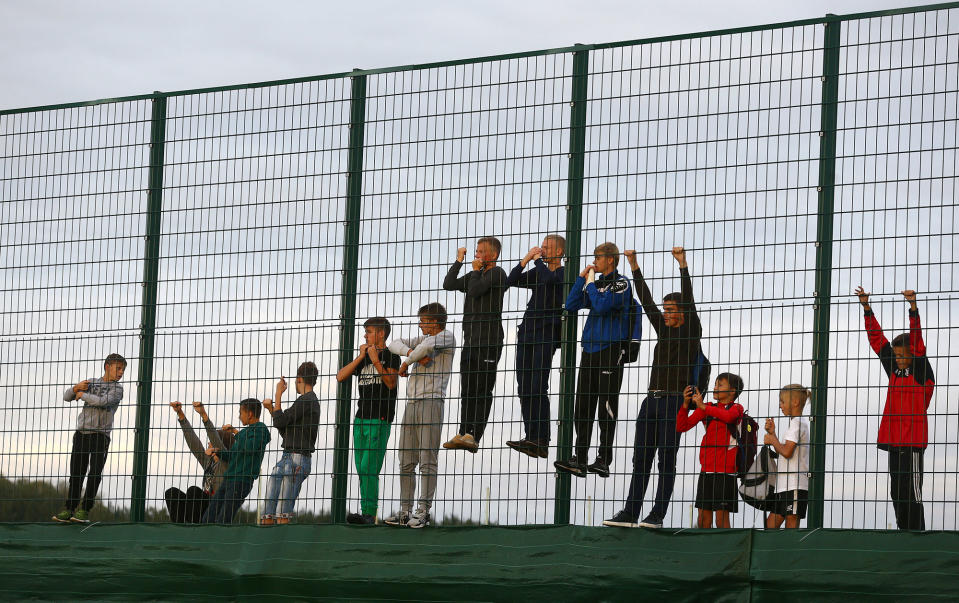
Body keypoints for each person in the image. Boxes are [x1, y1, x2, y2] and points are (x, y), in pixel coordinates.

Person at [605, 246, 702, 529]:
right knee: (641, 460)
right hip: (651, 402)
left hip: (675, 403)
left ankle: (656, 515)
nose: (666, 314)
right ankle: (630, 513)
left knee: (666, 462)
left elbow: (691, 301)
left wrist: (682, 265)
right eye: (665, 310)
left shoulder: (690, 332)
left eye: (671, 310)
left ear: (682, 312)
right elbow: (646, 301)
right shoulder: (663, 328)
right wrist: (634, 266)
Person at [856, 287, 934, 530]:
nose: (898, 359)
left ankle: (917, 535)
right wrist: (866, 308)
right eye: (896, 356)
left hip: (912, 443)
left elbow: (918, 343)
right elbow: (877, 340)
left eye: (903, 355)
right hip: (893, 442)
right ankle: (902, 532)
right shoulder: (894, 369)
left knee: (912, 493)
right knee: (897, 493)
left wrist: (913, 309)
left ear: (913, 355)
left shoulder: (921, 371)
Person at [554, 242, 634, 478]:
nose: (594, 261)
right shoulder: (594, 285)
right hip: (589, 350)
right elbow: (571, 305)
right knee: (583, 406)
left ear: (610, 259)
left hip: (611, 350)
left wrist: (590, 286)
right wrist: (581, 280)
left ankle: (603, 459)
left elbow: (600, 306)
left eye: (598, 257)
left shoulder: (621, 283)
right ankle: (579, 457)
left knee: (605, 407)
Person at [383, 303, 456, 528]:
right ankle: (405, 511)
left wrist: (406, 362)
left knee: (427, 459)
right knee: (405, 460)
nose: (420, 325)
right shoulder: (421, 340)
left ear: (435, 322)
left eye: (423, 321)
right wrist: (410, 355)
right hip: (412, 404)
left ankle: (423, 511)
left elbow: (426, 349)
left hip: (431, 401)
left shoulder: (446, 337)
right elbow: (393, 343)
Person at [442, 237, 507, 452]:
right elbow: (449, 284)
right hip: (471, 340)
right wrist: (459, 261)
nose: (476, 255)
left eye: (481, 252)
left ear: (493, 255)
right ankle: (463, 431)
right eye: (476, 251)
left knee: (481, 388)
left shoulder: (497, 274)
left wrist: (476, 271)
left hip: (489, 341)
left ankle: (474, 435)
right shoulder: (474, 274)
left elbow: (476, 290)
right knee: (467, 388)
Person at [504, 235, 566, 458]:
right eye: (542, 246)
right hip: (527, 332)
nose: (542, 249)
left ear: (559, 252)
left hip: (546, 333)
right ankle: (531, 437)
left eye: (547, 247)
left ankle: (542, 438)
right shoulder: (538, 271)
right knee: (524, 386)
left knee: (538, 385)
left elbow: (550, 280)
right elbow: (510, 281)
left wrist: (537, 261)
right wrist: (525, 260)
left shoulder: (562, 273)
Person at [336, 317, 401, 524]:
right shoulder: (365, 357)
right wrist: (361, 356)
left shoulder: (391, 356)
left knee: (368, 467)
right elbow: (341, 376)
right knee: (360, 467)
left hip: (379, 418)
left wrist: (375, 360)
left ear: (381, 333)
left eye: (369, 331)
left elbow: (391, 383)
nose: (365, 335)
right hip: (360, 419)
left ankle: (369, 513)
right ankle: (367, 512)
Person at [53, 353, 127, 523]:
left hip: (101, 436)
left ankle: (84, 510)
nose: (121, 372)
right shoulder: (91, 382)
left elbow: (103, 401)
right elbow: (66, 397)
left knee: (94, 473)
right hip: (82, 434)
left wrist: (83, 395)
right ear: (107, 366)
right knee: (76, 474)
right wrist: (75, 388)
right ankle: (69, 508)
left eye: (123, 369)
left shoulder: (117, 389)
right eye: (118, 368)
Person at [675, 376, 745, 528]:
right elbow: (681, 426)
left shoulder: (736, 408)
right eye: (715, 384)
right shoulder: (706, 407)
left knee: (721, 520)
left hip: (726, 472)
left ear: (732, 391)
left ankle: (725, 550)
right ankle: (703, 549)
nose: (715, 387)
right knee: (703, 520)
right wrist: (686, 404)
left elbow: (728, 417)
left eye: (720, 385)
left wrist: (703, 407)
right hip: (706, 470)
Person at [260, 362, 321, 525]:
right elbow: (285, 430)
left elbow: (280, 421)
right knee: (269, 512)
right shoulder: (307, 402)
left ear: (299, 378)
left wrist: (278, 394)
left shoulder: (306, 400)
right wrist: (272, 410)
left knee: (281, 513)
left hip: (295, 458)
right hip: (290, 456)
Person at [200, 398, 271, 524]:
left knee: (224, 518)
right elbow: (232, 456)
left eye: (240, 413)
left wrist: (235, 432)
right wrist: (217, 452)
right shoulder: (244, 433)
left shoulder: (261, 429)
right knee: (208, 517)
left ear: (249, 414)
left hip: (241, 481)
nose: (239, 416)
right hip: (228, 479)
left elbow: (250, 447)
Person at [164, 401, 234, 523]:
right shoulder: (209, 462)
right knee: (172, 493)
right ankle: (179, 528)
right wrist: (181, 415)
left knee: (194, 491)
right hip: (204, 504)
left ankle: (195, 527)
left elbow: (216, 440)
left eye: (210, 442)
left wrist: (204, 416)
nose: (208, 443)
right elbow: (193, 443)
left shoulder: (226, 463)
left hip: (216, 505)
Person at [764, 384, 811, 529]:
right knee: (770, 526)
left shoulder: (797, 424)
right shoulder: (794, 424)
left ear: (795, 402)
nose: (780, 406)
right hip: (784, 486)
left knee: (791, 526)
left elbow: (786, 452)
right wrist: (773, 435)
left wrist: (772, 440)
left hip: (795, 485)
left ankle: (790, 552)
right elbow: (783, 452)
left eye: (782, 402)